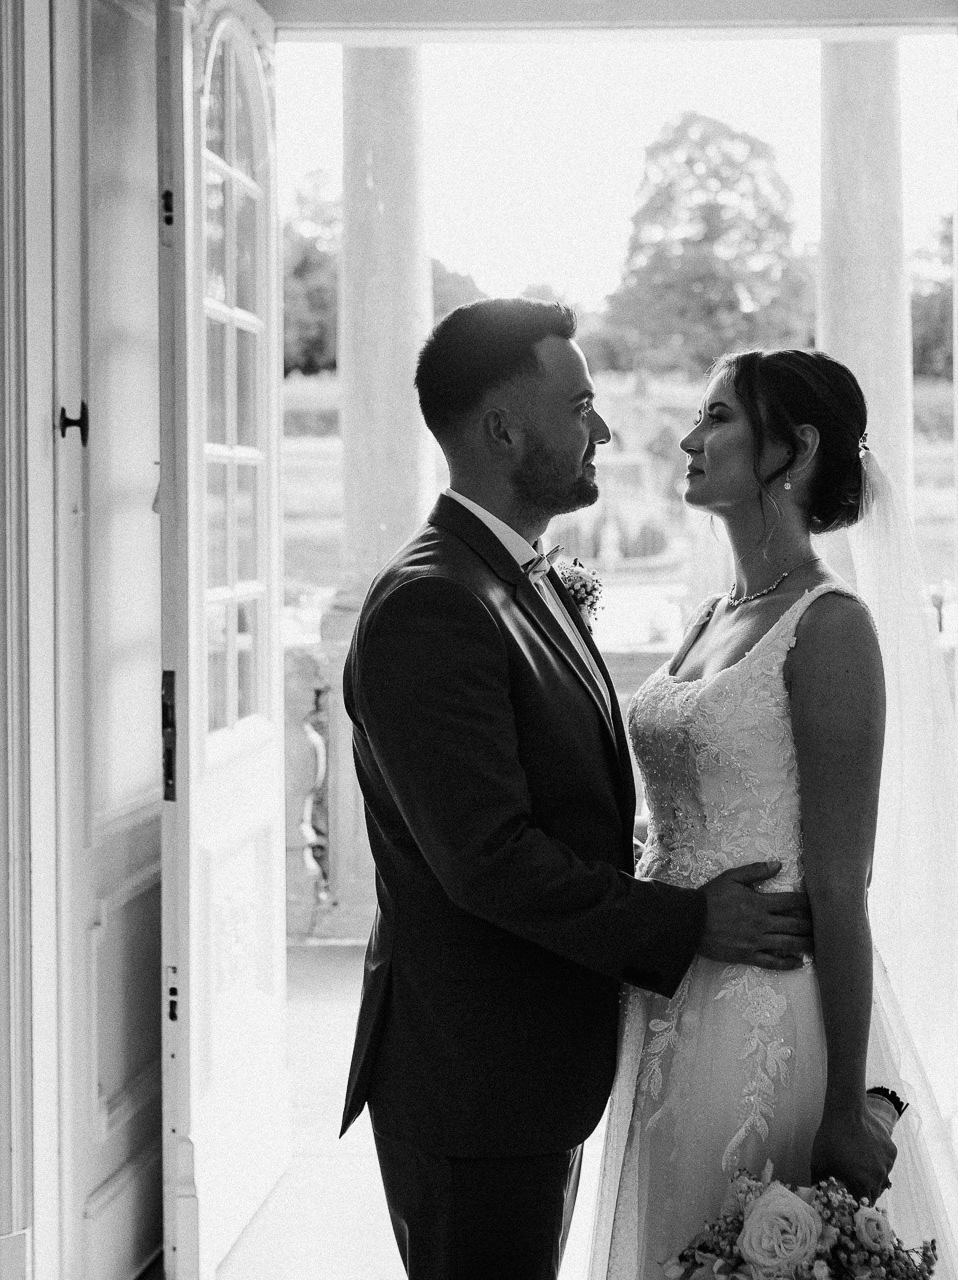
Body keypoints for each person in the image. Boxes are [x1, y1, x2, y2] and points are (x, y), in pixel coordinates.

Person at [339, 298, 817, 1280]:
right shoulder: (433, 603)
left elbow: (555, 796)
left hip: (528, 1070)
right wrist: (688, 920)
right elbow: (490, 858)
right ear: (502, 431)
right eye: (580, 405)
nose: (604, 429)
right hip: (474, 1084)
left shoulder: (513, 576)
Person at [590, 348, 933, 1278]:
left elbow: (843, 884)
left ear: (796, 448)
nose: (690, 440)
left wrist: (843, 1106)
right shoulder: (713, 614)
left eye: (718, 418)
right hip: (667, 1001)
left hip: (764, 1019)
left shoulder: (830, 626)